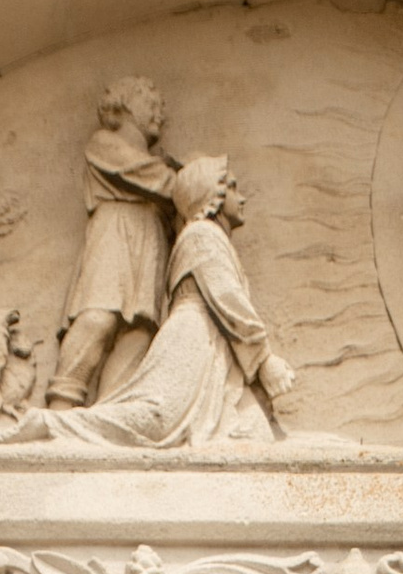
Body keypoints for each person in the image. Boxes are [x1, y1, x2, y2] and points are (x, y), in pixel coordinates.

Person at [23, 158, 296, 451]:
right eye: (231, 187)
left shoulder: (207, 236)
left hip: (212, 348)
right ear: (212, 195)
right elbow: (229, 300)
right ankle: (54, 424)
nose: (241, 198)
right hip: (190, 344)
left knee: (254, 431)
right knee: (156, 420)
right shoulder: (202, 234)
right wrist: (264, 359)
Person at [46, 76, 178, 407]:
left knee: (139, 329)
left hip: (149, 238)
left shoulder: (160, 163)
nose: (160, 114)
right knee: (99, 316)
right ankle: (62, 402)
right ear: (126, 104)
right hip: (115, 232)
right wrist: (189, 180)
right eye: (151, 105)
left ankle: (110, 409)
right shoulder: (104, 143)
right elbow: (150, 177)